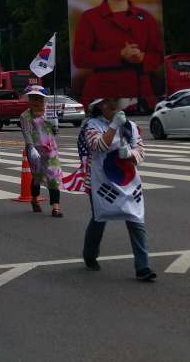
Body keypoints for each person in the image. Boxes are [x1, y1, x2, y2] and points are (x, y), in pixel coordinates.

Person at [72, 0, 164, 106]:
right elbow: (80, 58)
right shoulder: (90, 17)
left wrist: (142, 58)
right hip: (102, 92)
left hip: (141, 92)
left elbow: (158, 55)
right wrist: (119, 55)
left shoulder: (145, 17)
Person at [78, 98, 156, 281]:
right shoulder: (92, 125)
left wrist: (130, 154)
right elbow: (98, 145)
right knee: (100, 217)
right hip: (101, 180)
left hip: (128, 180)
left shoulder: (130, 127)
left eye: (116, 100)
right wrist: (114, 126)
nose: (113, 103)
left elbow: (140, 152)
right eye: (107, 101)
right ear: (98, 105)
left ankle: (143, 267)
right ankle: (90, 255)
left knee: (135, 219)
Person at [20, 86, 64, 217]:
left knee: (54, 176)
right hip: (35, 150)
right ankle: (34, 199)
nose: (35, 100)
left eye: (37, 97)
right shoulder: (25, 116)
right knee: (37, 177)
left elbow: (53, 132)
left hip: (50, 150)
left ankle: (55, 208)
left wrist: (55, 125)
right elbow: (26, 133)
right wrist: (31, 147)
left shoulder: (48, 113)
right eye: (32, 97)